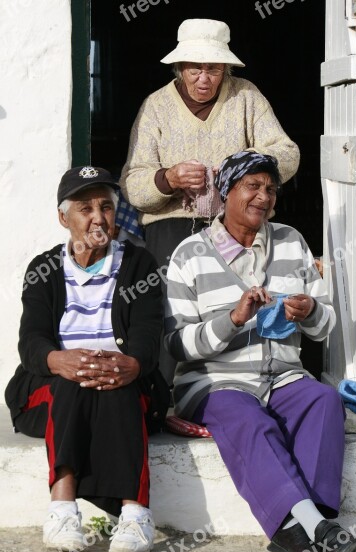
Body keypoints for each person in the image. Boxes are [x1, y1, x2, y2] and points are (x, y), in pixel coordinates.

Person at [164, 151, 356, 552]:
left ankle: (310, 525)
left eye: (270, 189)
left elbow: (324, 327)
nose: (263, 196)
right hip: (214, 382)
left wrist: (310, 312)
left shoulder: (292, 241)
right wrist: (233, 319)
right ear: (226, 192)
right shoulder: (189, 254)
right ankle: (314, 527)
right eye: (252, 186)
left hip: (283, 377)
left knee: (324, 401)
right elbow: (178, 345)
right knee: (250, 419)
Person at [119, 18, 300, 384]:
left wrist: (242, 168)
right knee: (171, 313)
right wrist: (167, 178)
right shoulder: (156, 106)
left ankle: (247, 387)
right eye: (195, 68)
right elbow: (132, 184)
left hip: (239, 228)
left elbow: (288, 154)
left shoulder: (246, 96)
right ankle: (169, 396)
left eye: (214, 68)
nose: (204, 78)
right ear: (179, 67)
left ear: (226, 68)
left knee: (243, 307)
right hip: (171, 228)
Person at [5, 166, 164, 552]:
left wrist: (133, 365)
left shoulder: (139, 265)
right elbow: (31, 341)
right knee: (70, 383)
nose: (98, 217)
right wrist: (59, 359)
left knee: (117, 383)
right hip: (53, 387)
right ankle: (62, 509)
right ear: (64, 218)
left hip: (123, 384)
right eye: (85, 208)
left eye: (106, 207)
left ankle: (135, 514)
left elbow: (147, 333)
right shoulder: (43, 270)